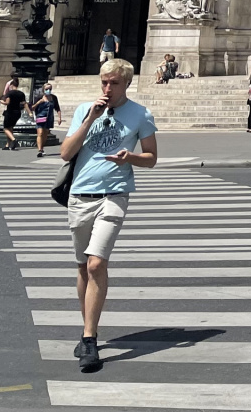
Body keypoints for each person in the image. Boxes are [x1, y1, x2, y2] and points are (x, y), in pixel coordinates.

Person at [60, 58, 158, 374]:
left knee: (96, 263)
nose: (107, 88)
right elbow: (65, 153)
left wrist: (131, 157)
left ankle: (89, 339)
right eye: (104, 82)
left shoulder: (140, 114)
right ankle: (86, 325)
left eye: (114, 83)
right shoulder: (84, 110)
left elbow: (152, 159)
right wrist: (90, 118)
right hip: (80, 195)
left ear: (126, 83)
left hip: (114, 195)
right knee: (82, 267)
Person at [31, 82, 62, 157]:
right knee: (40, 133)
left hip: (49, 118)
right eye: (47, 89)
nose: (48, 90)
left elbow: (57, 108)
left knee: (45, 134)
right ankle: (40, 150)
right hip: (40, 117)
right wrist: (39, 102)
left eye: (50, 89)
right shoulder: (39, 97)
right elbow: (32, 107)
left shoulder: (53, 98)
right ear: (43, 89)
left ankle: (42, 147)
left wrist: (59, 118)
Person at [0, 76, 28, 150]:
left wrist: (2, 102)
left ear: (11, 85)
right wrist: (29, 112)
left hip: (10, 112)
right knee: (10, 127)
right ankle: (8, 144)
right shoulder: (21, 94)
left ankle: (13, 140)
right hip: (17, 112)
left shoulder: (10, 93)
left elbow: (7, 103)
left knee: (5, 128)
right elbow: (24, 103)